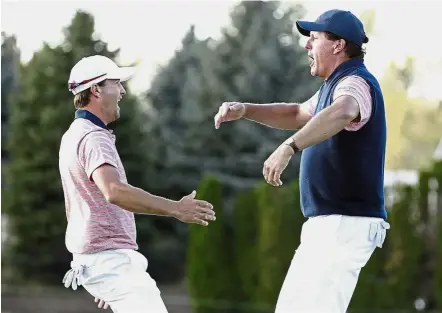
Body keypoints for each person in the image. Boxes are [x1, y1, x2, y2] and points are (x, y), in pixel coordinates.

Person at [214, 9, 390, 313]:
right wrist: (245, 109)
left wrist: (288, 147)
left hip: (345, 223)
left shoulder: (356, 83)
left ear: (338, 45)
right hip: (327, 224)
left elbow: (345, 111)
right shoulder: (331, 88)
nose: (307, 46)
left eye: (314, 38)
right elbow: (296, 113)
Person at [59, 55, 216, 313]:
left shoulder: (75, 134)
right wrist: (176, 208)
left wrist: (105, 278)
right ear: (96, 90)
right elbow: (114, 191)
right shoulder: (93, 137)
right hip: (110, 260)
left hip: (104, 262)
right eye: (116, 83)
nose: (122, 90)